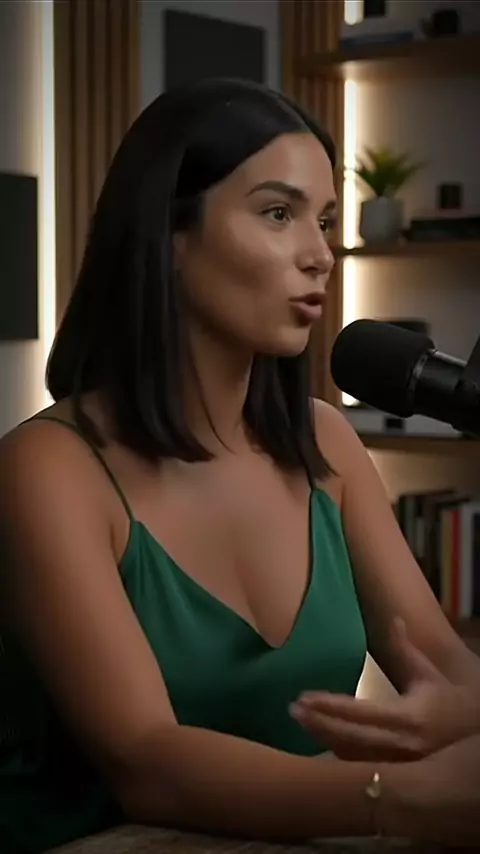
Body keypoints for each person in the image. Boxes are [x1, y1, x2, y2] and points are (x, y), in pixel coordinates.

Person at [0, 78, 479, 854]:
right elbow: (148, 761)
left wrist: (459, 716)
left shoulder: (326, 444)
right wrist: (399, 798)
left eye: (325, 221)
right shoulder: (48, 470)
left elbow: (445, 667)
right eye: (278, 213)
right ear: (169, 235)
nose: (320, 255)